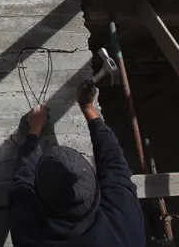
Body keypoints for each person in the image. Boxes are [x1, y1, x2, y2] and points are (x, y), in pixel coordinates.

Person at [8, 81, 146, 247]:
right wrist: (88, 108)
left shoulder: (29, 235)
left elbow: (22, 182)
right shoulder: (125, 221)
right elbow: (113, 161)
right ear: (95, 191)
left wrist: (34, 130)